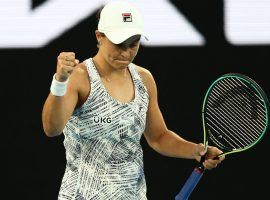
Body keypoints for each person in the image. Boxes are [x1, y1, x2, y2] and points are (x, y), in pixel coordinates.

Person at [42, 1, 225, 199]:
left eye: (133, 45)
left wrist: (196, 150)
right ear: (99, 36)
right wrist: (60, 81)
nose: (126, 52)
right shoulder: (79, 77)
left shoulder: (144, 79)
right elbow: (52, 128)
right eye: (119, 44)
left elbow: (158, 137)